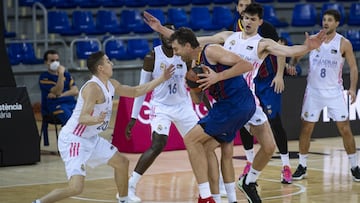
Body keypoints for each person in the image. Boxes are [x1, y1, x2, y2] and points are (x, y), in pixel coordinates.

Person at [143, 4, 325, 202]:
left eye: (252, 19)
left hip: (247, 99)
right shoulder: (228, 37)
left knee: (268, 147)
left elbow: (288, 50)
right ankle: (219, 195)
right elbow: (191, 41)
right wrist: (161, 29)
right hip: (229, 99)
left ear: (260, 22)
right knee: (220, 148)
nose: (247, 22)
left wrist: (307, 47)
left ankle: (248, 181)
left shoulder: (262, 44)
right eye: (245, 17)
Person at [32, 51, 174, 203]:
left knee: (122, 162)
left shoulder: (111, 84)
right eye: (107, 61)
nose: (111, 63)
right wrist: (96, 119)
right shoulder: (93, 88)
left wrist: (161, 78)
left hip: (91, 138)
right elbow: (83, 118)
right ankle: (38, 202)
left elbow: (135, 91)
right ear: (100, 68)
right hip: (75, 140)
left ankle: (124, 199)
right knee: (75, 188)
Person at [169, 26, 256, 203]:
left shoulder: (211, 51)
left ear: (187, 45)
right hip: (232, 106)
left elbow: (246, 65)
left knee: (191, 140)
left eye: (176, 49)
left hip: (235, 103)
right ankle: (223, 198)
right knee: (207, 148)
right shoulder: (194, 65)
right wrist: (192, 86)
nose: (175, 53)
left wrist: (218, 77)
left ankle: (205, 196)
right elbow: (197, 101)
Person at [120, 24, 200, 203]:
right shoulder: (152, 56)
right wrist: (133, 117)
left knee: (201, 144)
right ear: (160, 35)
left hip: (183, 106)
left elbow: (193, 82)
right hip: (161, 107)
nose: (169, 35)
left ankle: (209, 188)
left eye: (172, 32)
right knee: (158, 144)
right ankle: (129, 187)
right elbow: (141, 89)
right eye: (166, 32)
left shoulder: (184, 55)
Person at [290, 9, 360, 181]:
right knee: (306, 129)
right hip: (313, 91)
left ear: (336, 23)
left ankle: (354, 166)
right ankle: (302, 165)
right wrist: (293, 62)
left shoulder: (343, 43)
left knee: (345, 129)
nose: (326, 22)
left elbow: (353, 67)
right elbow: (297, 56)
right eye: (324, 19)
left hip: (335, 92)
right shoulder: (314, 39)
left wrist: (352, 88)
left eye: (330, 20)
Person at [232, 0, 295, 185]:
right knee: (243, 123)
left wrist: (280, 75)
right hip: (247, 82)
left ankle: (286, 166)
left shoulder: (265, 28)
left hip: (267, 81)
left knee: (274, 121)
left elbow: (281, 51)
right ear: (238, 9)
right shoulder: (234, 29)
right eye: (241, 6)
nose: (244, 8)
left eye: (247, 5)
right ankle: (250, 162)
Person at [39, 50, 78, 126]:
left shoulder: (67, 75)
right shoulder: (44, 77)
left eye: (57, 60)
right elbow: (58, 91)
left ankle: (83, 136)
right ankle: (70, 136)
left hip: (71, 103)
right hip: (55, 106)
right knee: (69, 118)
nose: (55, 63)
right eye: (52, 60)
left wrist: (61, 95)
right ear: (46, 62)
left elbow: (75, 91)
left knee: (85, 112)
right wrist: (60, 74)